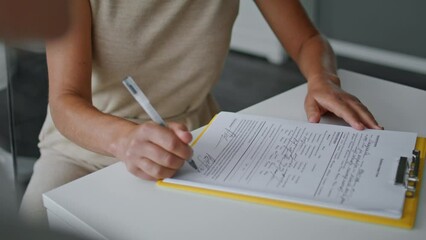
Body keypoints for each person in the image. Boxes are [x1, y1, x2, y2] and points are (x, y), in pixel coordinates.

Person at [20, 0, 382, 227]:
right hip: (84, 150)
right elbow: (66, 102)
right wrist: (127, 140)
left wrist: (323, 78)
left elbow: (307, 41)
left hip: (198, 143)